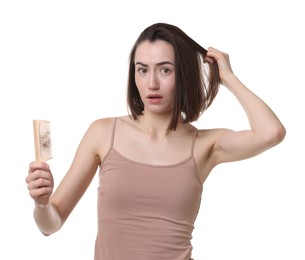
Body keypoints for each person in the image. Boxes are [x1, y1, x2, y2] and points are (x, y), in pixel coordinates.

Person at [25, 22, 286, 260]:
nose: (151, 83)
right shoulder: (103, 133)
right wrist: (42, 203)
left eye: (165, 70)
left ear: (183, 74)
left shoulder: (205, 144)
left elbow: (271, 133)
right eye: (142, 70)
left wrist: (227, 77)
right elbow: (50, 224)